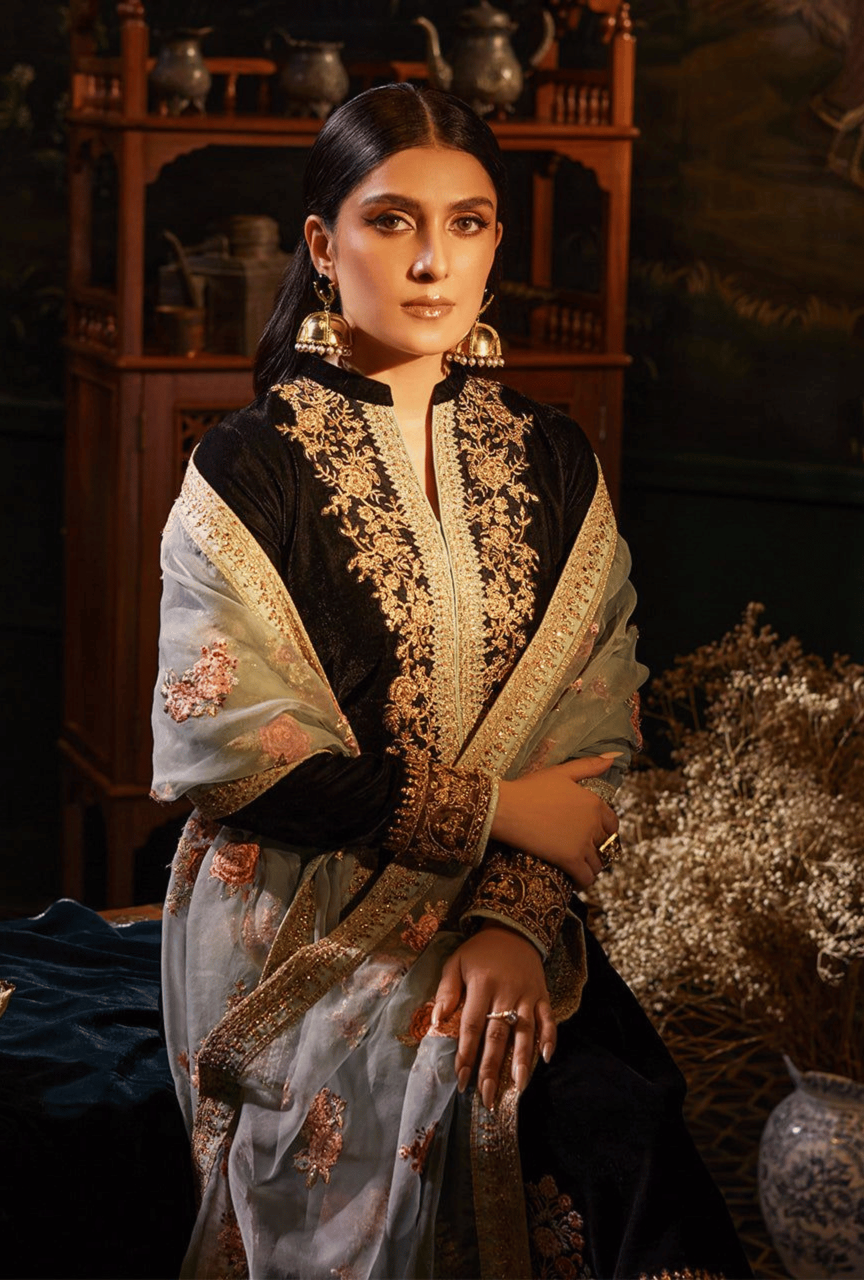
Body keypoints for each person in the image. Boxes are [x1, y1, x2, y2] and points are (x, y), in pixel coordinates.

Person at [152, 83, 752, 1280]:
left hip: (506, 909)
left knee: (615, 1129)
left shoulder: (553, 454)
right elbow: (231, 750)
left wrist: (515, 922)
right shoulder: (249, 466)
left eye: (468, 223)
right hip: (303, 914)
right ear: (323, 246)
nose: (434, 261)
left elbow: (590, 722)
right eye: (392, 222)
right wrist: (492, 807)